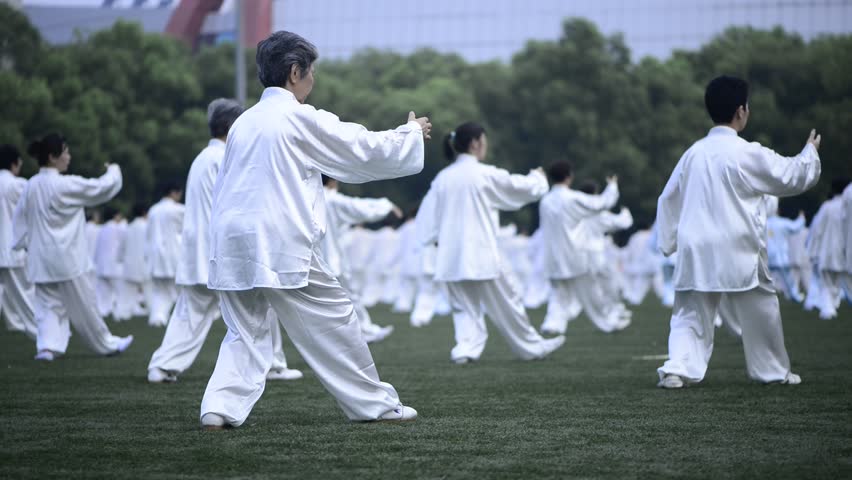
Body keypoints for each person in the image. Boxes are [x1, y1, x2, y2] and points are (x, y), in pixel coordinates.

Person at [199, 31, 431, 429]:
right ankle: (374, 405)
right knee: (335, 317)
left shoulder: (244, 123)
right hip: (278, 238)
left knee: (244, 330)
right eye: (311, 71)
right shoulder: (298, 117)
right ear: (295, 72)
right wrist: (407, 134)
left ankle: (218, 409)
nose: (313, 79)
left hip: (231, 239)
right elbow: (358, 148)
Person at [655, 76, 820, 388]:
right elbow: (789, 175)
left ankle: (677, 370)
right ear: (741, 111)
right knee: (762, 308)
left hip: (696, 244)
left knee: (690, 312)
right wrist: (809, 153)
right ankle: (772, 371)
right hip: (738, 243)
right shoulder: (746, 151)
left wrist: (670, 242)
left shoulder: (693, 153)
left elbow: (668, 198)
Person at [421, 122, 564, 364]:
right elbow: (517, 187)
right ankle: (531, 347)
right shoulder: (483, 174)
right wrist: (538, 178)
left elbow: (427, 217)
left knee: (464, 308)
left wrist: (433, 240)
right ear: (475, 143)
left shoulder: (442, 178)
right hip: (481, 252)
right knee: (508, 302)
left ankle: (465, 349)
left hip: (450, 255)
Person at [11, 133, 133, 360]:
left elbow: (19, 219)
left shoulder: (31, 185)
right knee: (85, 306)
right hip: (67, 257)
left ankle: (47, 347)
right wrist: (114, 170)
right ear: (53, 156)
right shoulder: (64, 184)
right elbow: (100, 188)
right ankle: (106, 344)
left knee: (47, 306)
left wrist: (22, 244)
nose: (69, 156)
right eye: (65, 152)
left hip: (40, 258)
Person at [538, 162, 624, 336]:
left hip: (552, 256)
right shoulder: (572, 198)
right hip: (573, 253)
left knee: (558, 295)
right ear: (569, 177)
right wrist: (612, 186)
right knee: (590, 294)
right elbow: (601, 203)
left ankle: (552, 324)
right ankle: (607, 323)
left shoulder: (545, 201)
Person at [321, 174, 399, 343]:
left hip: (315, 259)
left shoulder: (306, 197)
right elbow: (358, 207)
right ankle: (364, 331)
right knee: (349, 297)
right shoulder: (330, 199)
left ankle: (351, 333)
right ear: (333, 181)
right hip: (333, 259)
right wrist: (386, 205)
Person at [0, 144, 37, 340]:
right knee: (25, 295)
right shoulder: (18, 185)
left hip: (7, 250)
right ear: (14, 164)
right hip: (10, 249)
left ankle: (14, 323)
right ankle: (40, 332)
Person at [806, 178, 850, 319]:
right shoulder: (846, 206)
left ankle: (828, 309)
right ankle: (830, 308)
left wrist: (812, 250)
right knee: (840, 283)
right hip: (844, 252)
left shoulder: (827, 207)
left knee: (827, 283)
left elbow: (816, 229)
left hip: (827, 251)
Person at [146, 182, 185, 326]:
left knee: (160, 291)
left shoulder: (153, 210)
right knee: (180, 291)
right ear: (174, 193)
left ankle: (157, 317)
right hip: (173, 255)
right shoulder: (178, 210)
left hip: (155, 256)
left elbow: (149, 234)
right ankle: (179, 319)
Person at [764, 196, 806, 302]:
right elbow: (796, 227)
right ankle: (794, 296)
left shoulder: (764, 223)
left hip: (767, 257)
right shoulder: (782, 222)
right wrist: (801, 217)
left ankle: (766, 298)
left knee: (766, 280)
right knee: (788, 280)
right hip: (781, 257)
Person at [94, 206, 128, 319]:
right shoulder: (119, 229)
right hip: (115, 265)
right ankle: (119, 313)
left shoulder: (102, 229)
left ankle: (103, 311)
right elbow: (124, 245)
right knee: (120, 291)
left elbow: (97, 248)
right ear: (116, 215)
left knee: (104, 292)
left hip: (101, 265)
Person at [121, 204, 152, 316]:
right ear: (145, 213)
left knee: (128, 293)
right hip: (144, 264)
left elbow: (123, 247)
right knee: (150, 291)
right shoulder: (147, 227)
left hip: (130, 264)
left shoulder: (128, 227)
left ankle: (123, 313)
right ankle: (154, 313)